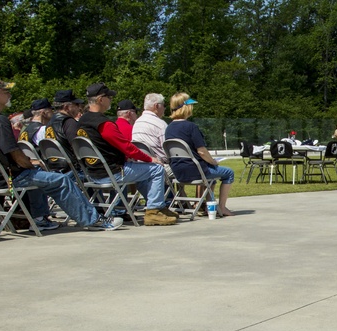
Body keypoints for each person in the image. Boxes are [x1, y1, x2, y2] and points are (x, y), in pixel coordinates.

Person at [0, 77, 123, 231]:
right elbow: (13, 152)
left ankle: (39, 219)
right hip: (7, 179)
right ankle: (93, 220)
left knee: (38, 174)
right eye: (5, 91)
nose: (9, 94)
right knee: (61, 180)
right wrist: (28, 163)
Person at [78, 83, 176, 225]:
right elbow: (128, 148)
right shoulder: (104, 124)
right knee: (156, 169)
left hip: (92, 173)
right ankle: (154, 210)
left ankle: (157, 206)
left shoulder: (82, 121)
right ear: (100, 99)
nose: (111, 100)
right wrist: (150, 158)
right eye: (109, 97)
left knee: (143, 172)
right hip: (113, 172)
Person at [165, 92, 235, 217]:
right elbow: (202, 152)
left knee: (212, 176)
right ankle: (222, 207)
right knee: (229, 173)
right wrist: (213, 161)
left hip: (177, 171)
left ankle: (208, 205)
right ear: (187, 107)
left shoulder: (169, 128)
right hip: (195, 171)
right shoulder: (191, 127)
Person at [131, 93, 169, 160]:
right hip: (160, 165)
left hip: (141, 163)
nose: (165, 108)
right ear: (156, 106)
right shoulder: (161, 124)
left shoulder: (137, 123)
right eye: (164, 105)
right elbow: (168, 151)